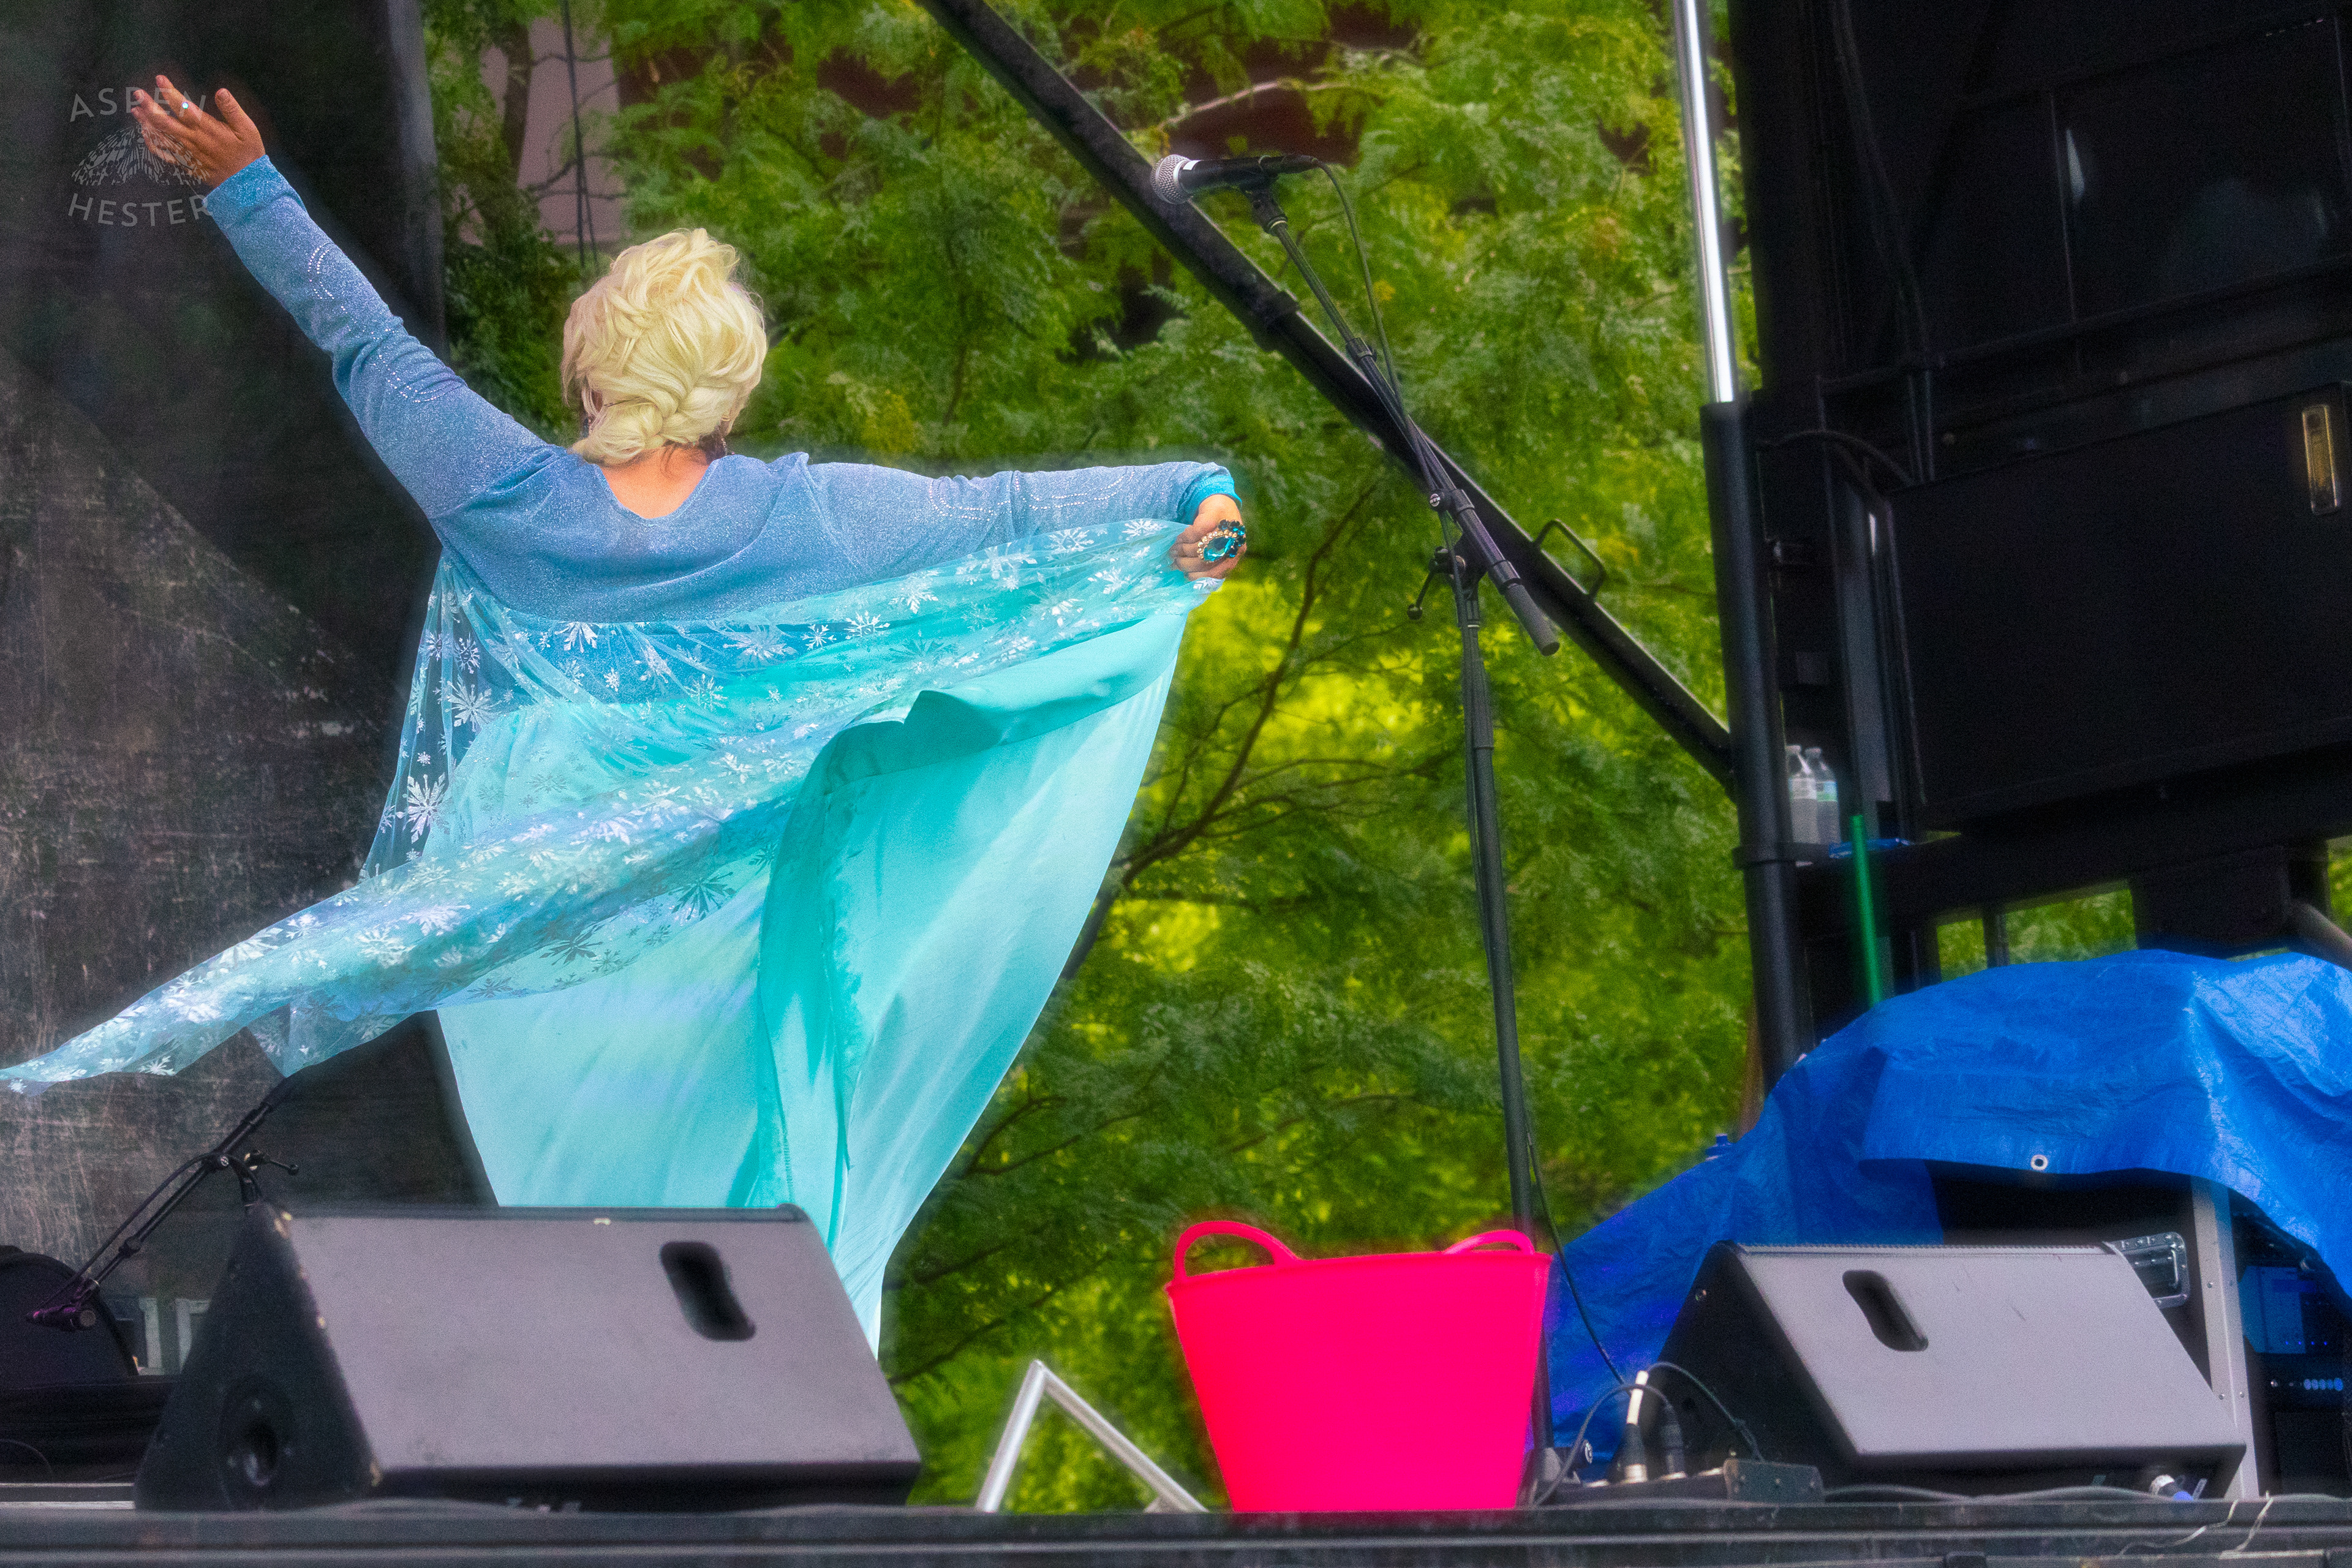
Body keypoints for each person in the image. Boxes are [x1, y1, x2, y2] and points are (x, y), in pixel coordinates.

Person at [1, 77, 1245, 1340]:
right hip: (715, 935)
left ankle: (669, 1375)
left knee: (611, 1234)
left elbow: (363, 340)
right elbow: (1011, 515)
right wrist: (1190, 493)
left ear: (594, 376)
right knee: (748, 1193)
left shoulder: (511, 499)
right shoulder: (811, 519)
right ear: (731, 393)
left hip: (563, 935)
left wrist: (246, 188)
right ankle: (763, 1373)